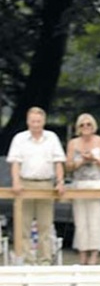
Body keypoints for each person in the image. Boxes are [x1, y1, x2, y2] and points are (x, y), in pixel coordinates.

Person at [6, 107, 66, 265]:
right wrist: (16, 182)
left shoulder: (52, 138)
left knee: (45, 226)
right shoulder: (19, 138)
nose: (35, 124)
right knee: (23, 225)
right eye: (32, 121)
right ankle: (27, 261)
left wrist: (60, 182)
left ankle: (44, 261)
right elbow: (15, 164)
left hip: (46, 184)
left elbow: (58, 162)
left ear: (44, 121)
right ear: (28, 122)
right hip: (25, 183)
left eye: (38, 121)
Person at [65, 113, 100, 265]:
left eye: (88, 124)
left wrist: (94, 159)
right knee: (80, 222)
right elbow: (68, 166)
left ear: (93, 126)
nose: (86, 127)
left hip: (96, 183)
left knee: (95, 221)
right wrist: (80, 161)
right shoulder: (73, 143)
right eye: (82, 125)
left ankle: (94, 255)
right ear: (78, 128)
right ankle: (82, 254)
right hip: (78, 184)